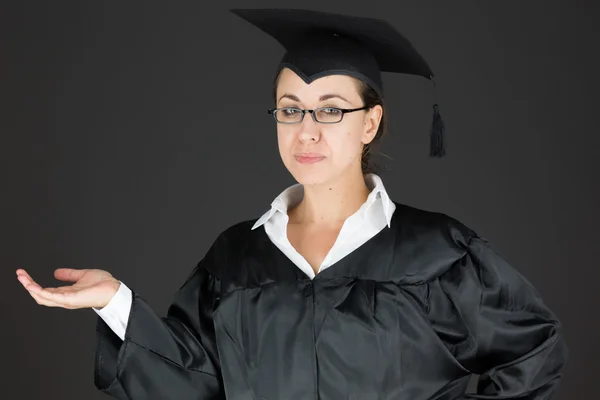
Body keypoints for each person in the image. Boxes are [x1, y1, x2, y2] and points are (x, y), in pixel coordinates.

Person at [16, 8, 567, 400]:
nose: (306, 130)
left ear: (369, 123)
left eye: (330, 110)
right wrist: (115, 301)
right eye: (290, 108)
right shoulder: (236, 258)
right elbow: (193, 382)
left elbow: (533, 352)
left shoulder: (438, 253)